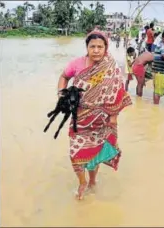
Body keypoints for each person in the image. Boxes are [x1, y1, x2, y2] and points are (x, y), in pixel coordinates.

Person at [57, 30, 132, 200]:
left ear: (106, 48)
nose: (96, 50)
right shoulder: (76, 64)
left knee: (95, 153)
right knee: (75, 153)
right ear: (87, 47)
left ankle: (92, 181)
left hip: (102, 119)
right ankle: (82, 182)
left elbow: (118, 92)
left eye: (100, 46)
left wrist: (113, 118)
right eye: (92, 46)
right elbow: (63, 77)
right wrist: (62, 95)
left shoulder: (111, 67)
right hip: (80, 118)